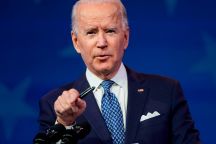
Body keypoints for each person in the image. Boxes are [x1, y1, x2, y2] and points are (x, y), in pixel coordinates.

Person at [37, 0, 201, 143]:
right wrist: (64, 122)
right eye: (91, 32)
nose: (101, 42)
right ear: (76, 42)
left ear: (126, 38)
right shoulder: (55, 105)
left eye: (110, 31)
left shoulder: (166, 91)